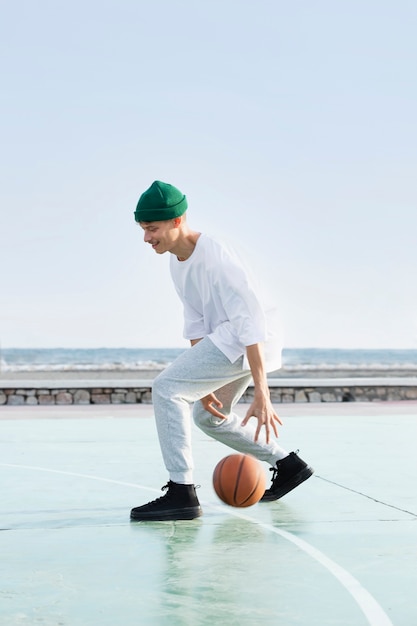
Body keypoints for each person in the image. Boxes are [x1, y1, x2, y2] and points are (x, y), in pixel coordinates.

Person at [130, 181, 313, 521]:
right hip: (231, 340)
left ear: (177, 221)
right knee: (207, 416)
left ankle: (181, 492)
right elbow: (197, 325)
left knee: (167, 388)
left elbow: (250, 321)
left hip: (252, 338)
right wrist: (203, 386)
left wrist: (263, 392)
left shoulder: (215, 254)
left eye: (152, 228)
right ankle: (288, 464)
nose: (146, 238)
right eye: (143, 230)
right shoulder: (177, 261)